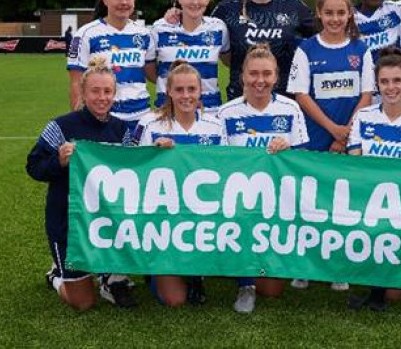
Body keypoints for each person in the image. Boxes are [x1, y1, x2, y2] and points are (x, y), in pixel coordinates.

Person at [26, 57, 138, 311]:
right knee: (83, 302)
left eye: (107, 91)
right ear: (83, 93)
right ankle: (56, 275)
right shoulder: (62, 126)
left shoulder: (122, 130)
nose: (102, 97)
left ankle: (111, 278)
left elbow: (135, 171)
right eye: (95, 91)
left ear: (115, 94)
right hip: (69, 222)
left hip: (107, 219)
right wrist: (58, 161)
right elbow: (33, 167)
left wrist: (158, 151)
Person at [286, 0, 374, 291]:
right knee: (310, 200)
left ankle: (339, 265)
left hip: (350, 138)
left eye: (341, 13)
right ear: (319, 15)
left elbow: (366, 95)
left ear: (350, 15)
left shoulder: (361, 50)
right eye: (329, 13)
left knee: (343, 201)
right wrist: (332, 130)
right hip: (315, 135)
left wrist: (346, 133)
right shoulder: (306, 49)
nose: (335, 18)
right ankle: (306, 266)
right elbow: (302, 95)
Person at [217, 43, 310, 313]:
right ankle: (245, 284)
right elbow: (219, 161)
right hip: (241, 196)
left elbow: (304, 160)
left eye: (267, 74)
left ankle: (277, 264)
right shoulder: (226, 113)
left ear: (276, 76)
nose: (260, 81)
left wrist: (288, 150)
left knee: (273, 291)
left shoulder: (291, 109)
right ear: (242, 76)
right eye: (254, 74)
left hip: (279, 196)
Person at [345, 48, 401, 312]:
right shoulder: (363, 117)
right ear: (377, 84)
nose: (390, 87)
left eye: (397, 80)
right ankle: (372, 286)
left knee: (395, 295)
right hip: (368, 200)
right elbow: (356, 162)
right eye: (384, 81)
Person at [133, 61, 225, 307]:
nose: (186, 96)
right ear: (169, 92)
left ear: (200, 91)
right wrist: (153, 154)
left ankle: (196, 271)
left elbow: (227, 170)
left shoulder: (215, 125)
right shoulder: (150, 124)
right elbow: (132, 172)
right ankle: (155, 269)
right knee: (174, 300)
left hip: (202, 213)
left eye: (192, 89)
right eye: (180, 90)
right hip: (163, 216)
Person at [166, 0, 315, 100]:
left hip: (285, 101)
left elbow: (323, 37)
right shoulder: (226, 9)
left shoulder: (294, 7)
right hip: (239, 101)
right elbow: (199, 30)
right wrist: (177, 13)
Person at [67, 0, 157, 131]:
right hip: (103, 118)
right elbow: (76, 82)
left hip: (140, 117)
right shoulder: (86, 34)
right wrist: (80, 122)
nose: (123, 2)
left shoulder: (145, 34)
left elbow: (152, 74)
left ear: (134, 0)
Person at [152, 0, 230, 113]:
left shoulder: (218, 28)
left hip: (209, 110)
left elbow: (228, 60)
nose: (195, 2)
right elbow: (149, 68)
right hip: (168, 110)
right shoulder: (160, 28)